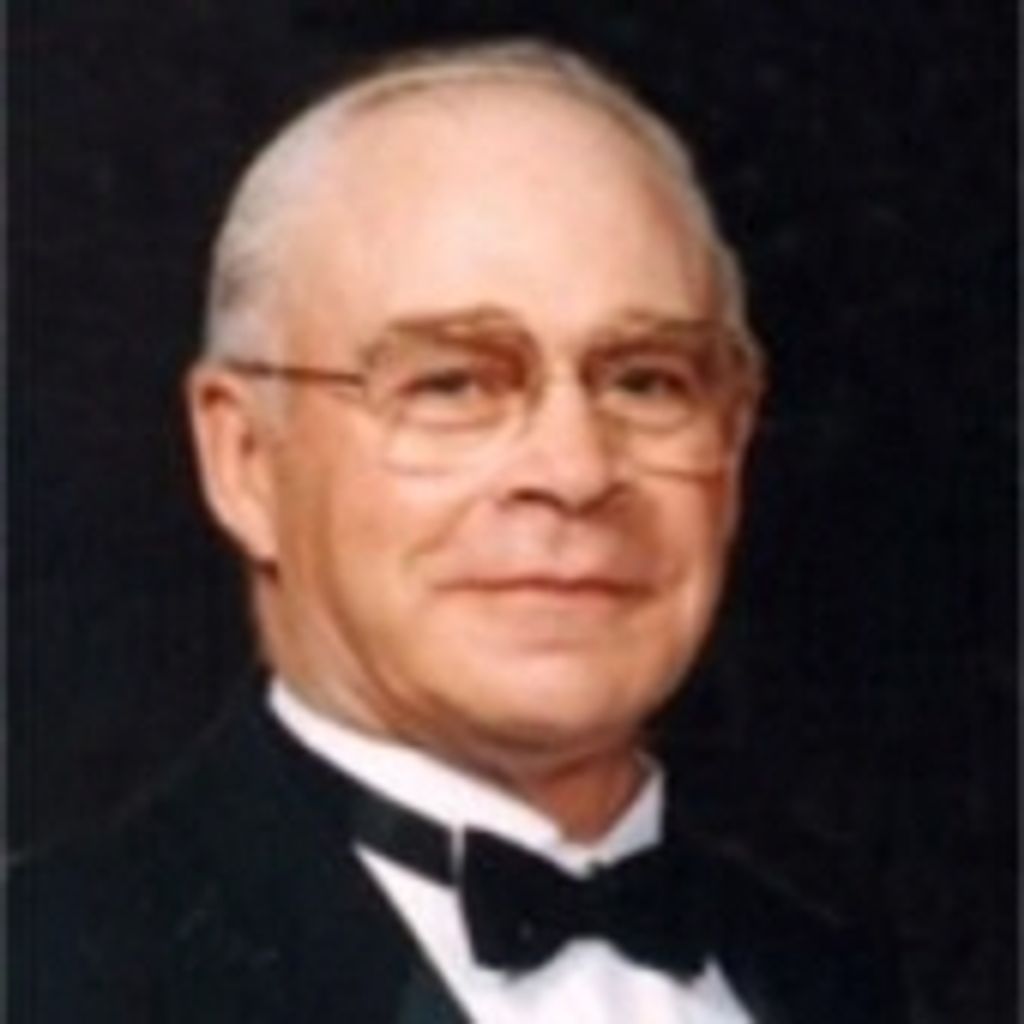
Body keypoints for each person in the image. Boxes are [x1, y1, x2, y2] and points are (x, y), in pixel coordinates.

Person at [12, 39, 906, 1023]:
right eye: (451, 384)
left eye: (647, 381)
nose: (573, 472)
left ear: (731, 445)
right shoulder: (48, 971)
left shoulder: (841, 978)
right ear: (247, 461)